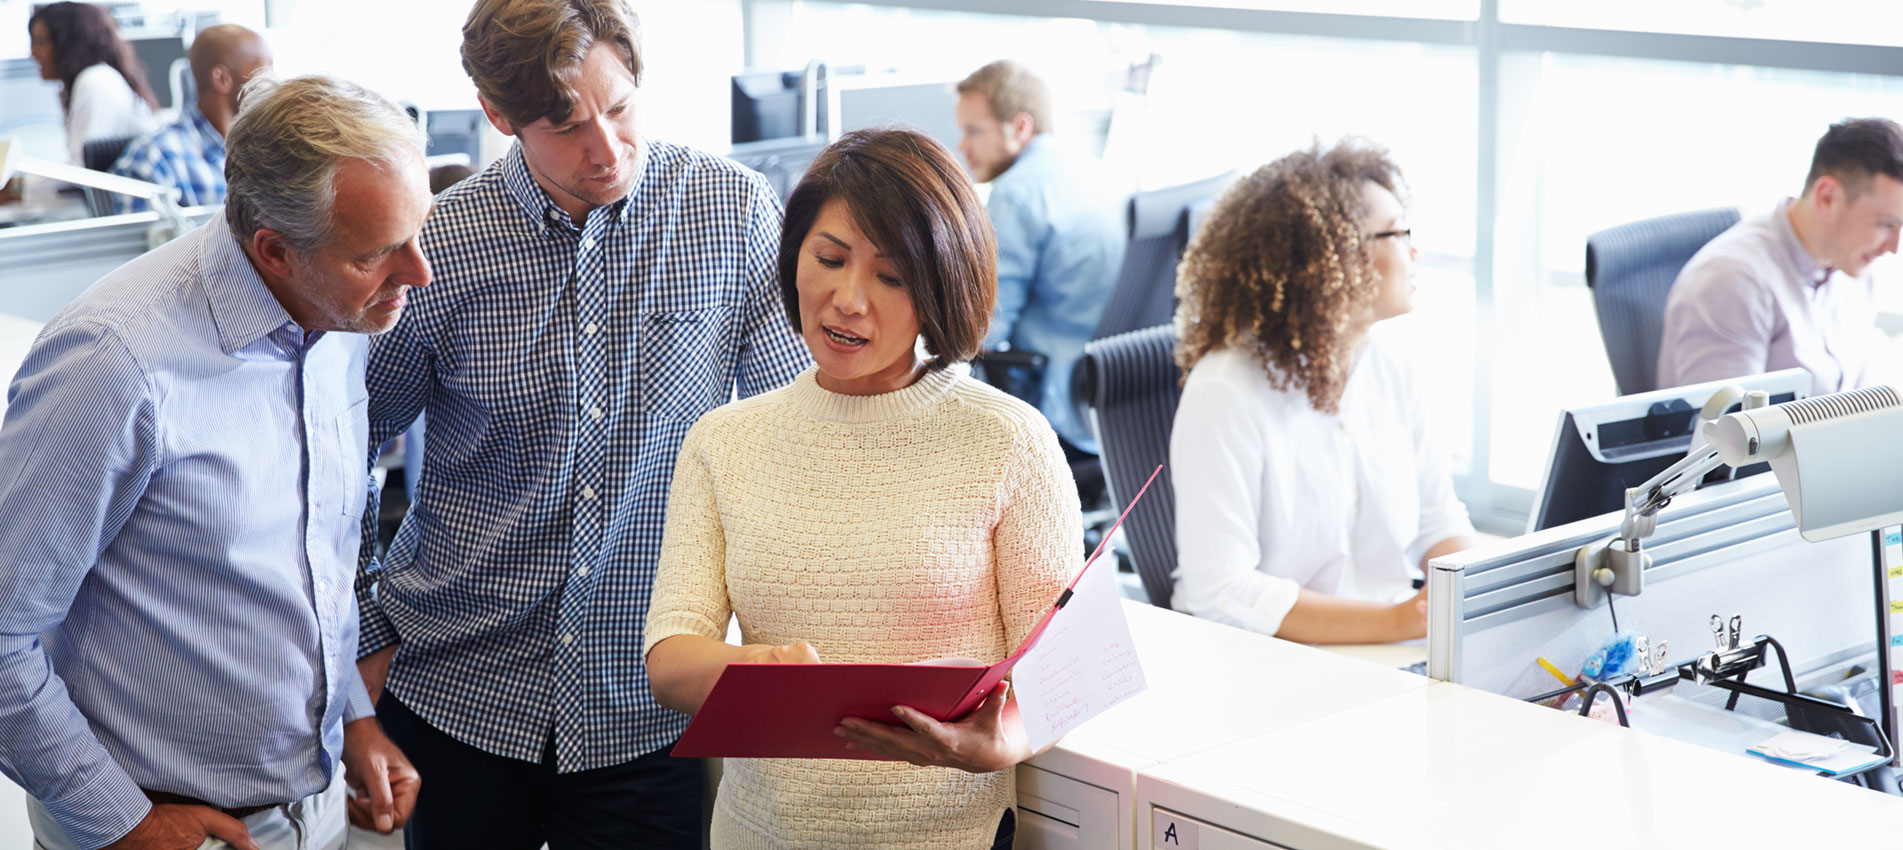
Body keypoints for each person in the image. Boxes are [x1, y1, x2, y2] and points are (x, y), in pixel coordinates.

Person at [350, 0, 810, 846]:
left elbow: (802, 431)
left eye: (621, 107)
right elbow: (341, 455)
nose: (605, 148)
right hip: (460, 691)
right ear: (500, 116)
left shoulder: (730, 212)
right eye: (565, 125)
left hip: (644, 702)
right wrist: (365, 631)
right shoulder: (439, 247)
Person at [0, 73, 428, 850]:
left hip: (316, 802)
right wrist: (118, 818)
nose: (418, 273)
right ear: (274, 250)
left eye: (416, 233)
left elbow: (315, 562)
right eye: (379, 253)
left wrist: (352, 723)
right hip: (160, 822)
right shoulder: (115, 362)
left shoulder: (338, 314)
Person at [643, 126, 1080, 850]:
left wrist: (997, 745)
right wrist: (752, 669)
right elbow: (670, 658)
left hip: (948, 836)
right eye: (829, 259)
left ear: (940, 285)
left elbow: (1061, 672)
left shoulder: (1009, 440)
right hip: (761, 833)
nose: (847, 299)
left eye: (891, 275)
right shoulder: (722, 440)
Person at [1168, 141, 1476, 644]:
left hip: (1392, 654)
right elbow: (1221, 592)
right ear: (1334, 258)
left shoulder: (1392, 370)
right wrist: (1400, 620)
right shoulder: (1225, 390)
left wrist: (1488, 591)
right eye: (1398, 232)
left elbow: (1437, 521)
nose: (1415, 250)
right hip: (1274, 664)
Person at [1657, 117, 1903, 397]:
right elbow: (1723, 435)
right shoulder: (1733, 282)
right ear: (1827, 197)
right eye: (1886, 224)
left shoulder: (1855, 267)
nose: (1894, 247)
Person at [955, 59, 1125, 456]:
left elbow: (983, 330)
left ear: (1020, 128)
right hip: (1112, 390)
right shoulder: (1091, 170)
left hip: (1055, 397)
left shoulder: (1018, 193)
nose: (962, 146)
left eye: (973, 131)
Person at [110, 24, 273, 212]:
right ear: (221, 79)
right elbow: (147, 241)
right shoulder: (153, 159)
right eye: (263, 71)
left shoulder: (268, 152)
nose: (272, 83)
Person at [27, 2, 158, 167]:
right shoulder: (96, 77)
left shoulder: (94, 82)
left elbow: (81, 170)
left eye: (40, 41)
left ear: (68, 43)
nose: (32, 53)